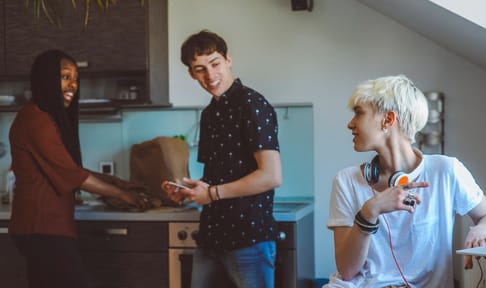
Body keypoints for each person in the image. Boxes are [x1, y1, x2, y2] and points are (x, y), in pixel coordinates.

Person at [324, 75, 486, 288]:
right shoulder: (346, 181)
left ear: (388, 120)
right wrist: (369, 212)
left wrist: (481, 230)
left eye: (359, 113)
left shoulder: (446, 170)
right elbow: (347, 271)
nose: (350, 124)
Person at [8, 49, 150, 288]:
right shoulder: (36, 119)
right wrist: (124, 195)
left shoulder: (43, 116)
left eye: (75, 78)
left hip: (43, 227)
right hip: (42, 228)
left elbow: (70, 167)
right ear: (46, 78)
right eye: (65, 76)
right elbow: (74, 175)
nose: (73, 84)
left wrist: (117, 182)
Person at [161, 30, 282, 288]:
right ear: (192, 74)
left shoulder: (253, 104)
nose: (210, 75)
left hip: (249, 239)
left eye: (215, 63)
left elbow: (271, 176)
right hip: (211, 238)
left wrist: (212, 193)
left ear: (228, 59)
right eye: (200, 69)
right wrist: (191, 190)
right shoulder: (209, 114)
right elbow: (216, 176)